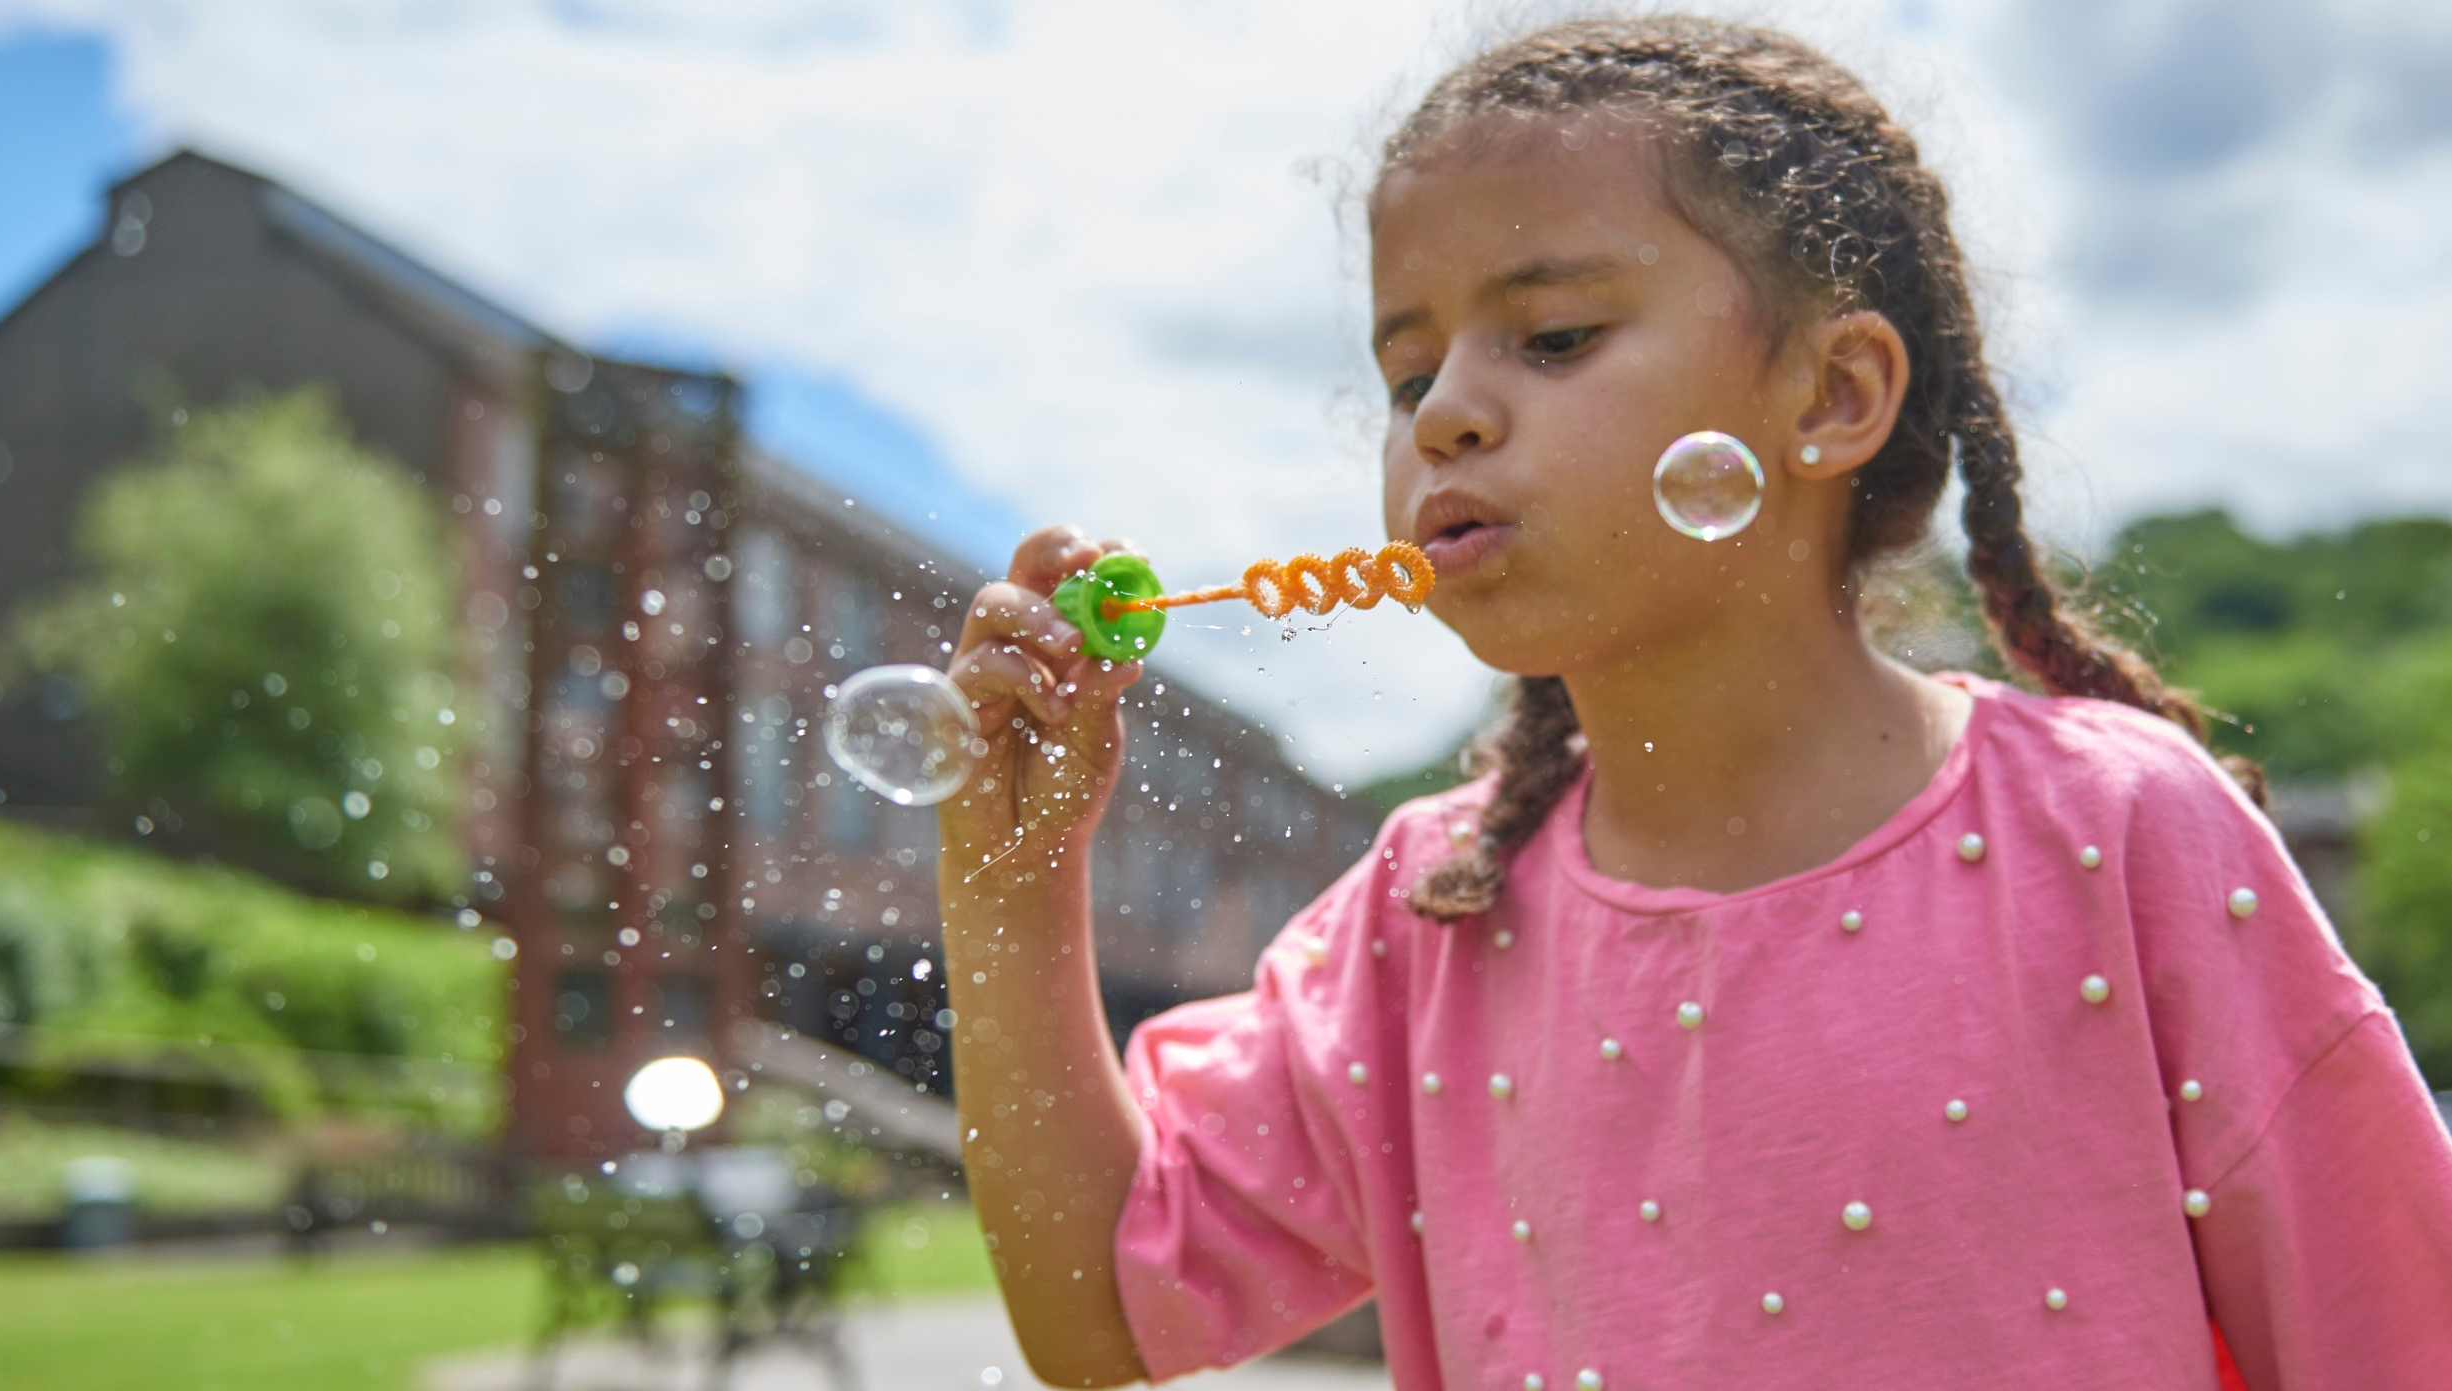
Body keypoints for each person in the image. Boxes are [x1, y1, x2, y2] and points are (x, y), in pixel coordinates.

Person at [934, 16, 2452, 1390]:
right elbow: (1098, 1311)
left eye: (1556, 336)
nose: (1447, 409)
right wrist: (1011, 884)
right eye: (1408, 374)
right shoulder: (1429, 923)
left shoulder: (2118, 834)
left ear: (1832, 397)